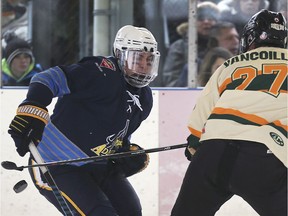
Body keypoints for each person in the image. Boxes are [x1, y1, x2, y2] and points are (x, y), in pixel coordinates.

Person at [8, 25, 160, 215]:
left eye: (149, 59)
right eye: (138, 58)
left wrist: (126, 154)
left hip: (99, 166)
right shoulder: (100, 72)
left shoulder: (144, 98)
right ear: (120, 55)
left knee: (131, 211)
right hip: (56, 163)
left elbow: (117, 136)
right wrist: (32, 107)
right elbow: (47, 78)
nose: (144, 65)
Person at [171, 9, 287, 216]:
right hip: (265, 156)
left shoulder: (230, 64)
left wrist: (195, 143)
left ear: (249, 38)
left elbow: (200, 117)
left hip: (213, 151)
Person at [162, 1, 220, 87]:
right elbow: (171, 83)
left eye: (211, 18)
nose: (206, 21)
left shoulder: (223, 45)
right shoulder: (179, 47)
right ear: (192, 21)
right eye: (201, 18)